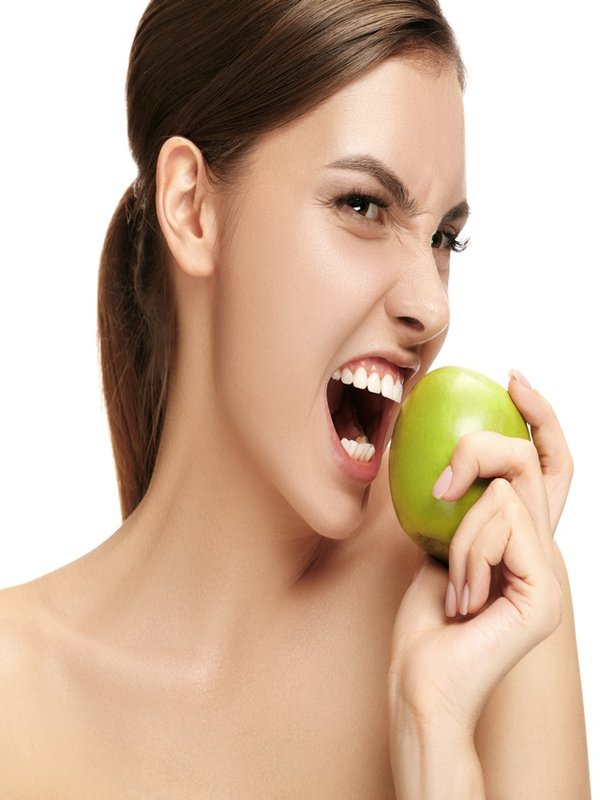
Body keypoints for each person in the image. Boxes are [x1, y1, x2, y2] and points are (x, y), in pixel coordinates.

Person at [0, 0, 591, 795]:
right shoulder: (15, 701)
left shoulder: (497, 612)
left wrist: (435, 735)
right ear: (192, 207)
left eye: (445, 239)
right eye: (362, 206)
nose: (433, 305)